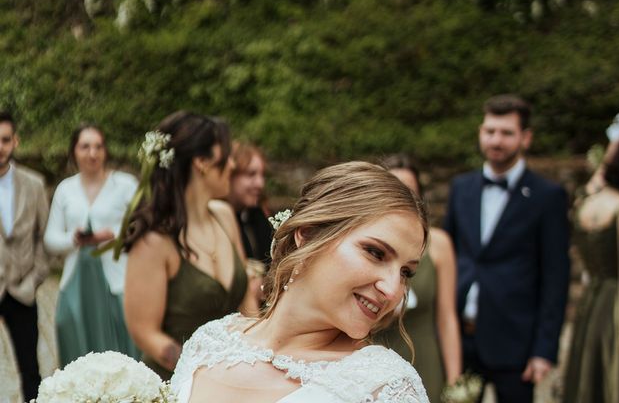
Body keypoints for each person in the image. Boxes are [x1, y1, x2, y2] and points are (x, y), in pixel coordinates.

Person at [170, 161, 430, 402]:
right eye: (375, 253)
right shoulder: (209, 342)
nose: (393, 290)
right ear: (307, 235)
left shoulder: (386, 388)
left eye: (406, 272)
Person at [443, 94, 570, 403]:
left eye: (506, 133)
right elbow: (447, 253)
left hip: (515, 344)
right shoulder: (461, 187)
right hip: (461, 338)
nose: (495, 140)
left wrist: (544, 350)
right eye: (490, 131)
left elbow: (556, 277)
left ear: (525, 138)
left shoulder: (548, 196)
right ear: (480, 132)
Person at [122, 111, 257, 381]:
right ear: (202, 163)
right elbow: (145, 333)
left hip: (238, 377)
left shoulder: (224, 216)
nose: (231, 165)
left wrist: (259, 355)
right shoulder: (154, 241)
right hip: (177, 382)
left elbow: (247, 307)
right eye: (226, 156)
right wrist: (205, 373)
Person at [44, 123, 139, 366]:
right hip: (77, 278)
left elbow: (141, 227)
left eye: (98, 146)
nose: (92, 153)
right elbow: (50, 238)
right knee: (68, 327)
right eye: (85, 146)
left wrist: (112, 235)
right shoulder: (66, 189)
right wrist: (73, 239)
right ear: (74, 151)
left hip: (116, 279)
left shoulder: (125, 185)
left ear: (106, 150)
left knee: (122, 346)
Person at [562, 115, 619, 403]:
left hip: (594, 300)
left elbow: (596, 182)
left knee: (589, 370)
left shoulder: (585, 203)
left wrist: (610, 154)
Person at [380, 155, 461, 402]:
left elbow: (447, 317)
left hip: (424, 360)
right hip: (377, 357)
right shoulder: (370, 247)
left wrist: (456, 383)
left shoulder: (439, 244)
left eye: (409, 192)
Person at [0, 111, 49, 401]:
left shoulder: (34, 184)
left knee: (30, 370)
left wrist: (35, 278)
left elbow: (43, 237)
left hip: (22, 291)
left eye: (5, 140)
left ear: (15, 141)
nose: (0, 146)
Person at [227, 141, 273, 263]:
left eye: (263, 175)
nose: (260, 184)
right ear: (230, 174)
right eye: (251, 174)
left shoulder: (259, 215)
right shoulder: (218, 221)